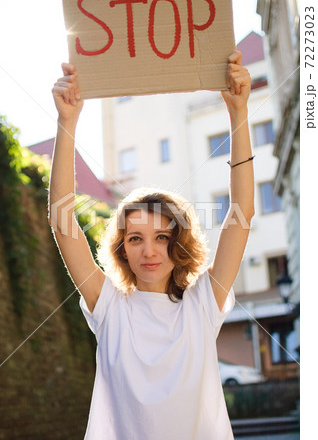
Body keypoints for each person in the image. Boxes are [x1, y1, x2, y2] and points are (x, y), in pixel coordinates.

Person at [49, 50, 254, 440]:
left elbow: (241, 214)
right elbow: (62, 223)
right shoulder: (109, 307)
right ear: (122, 248)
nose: (149, 251)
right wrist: (67, 121)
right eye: (136, 238)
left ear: (179, 244)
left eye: (162, 237)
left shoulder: (202, 304)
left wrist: (238, 113)